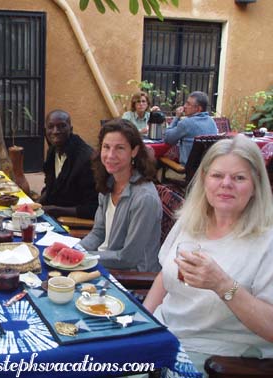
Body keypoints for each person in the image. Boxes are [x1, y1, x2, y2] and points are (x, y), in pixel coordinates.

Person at [143, 135, 273, 374]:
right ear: (204, 180)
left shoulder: (267, 241)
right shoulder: (190, 221)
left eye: (239, 178)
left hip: (215, 358)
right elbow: (165, 276)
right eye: (217, 175)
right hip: (162, 337)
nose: (226, 184)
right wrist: (144, 322)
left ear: (255, 186)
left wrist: (223, 285)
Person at [78, 119, 162, 272]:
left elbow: (128, 258)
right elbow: (98, 233)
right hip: (103, 262)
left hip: (132, 278)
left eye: (120, 148)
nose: (110, 155)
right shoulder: (109, 183)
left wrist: (83, 257)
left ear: (134, 151)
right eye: (106, 147)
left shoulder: (144, 199)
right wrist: (76, 250)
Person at [38, 109, 98, 219]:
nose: (56, 131)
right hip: (52, 214)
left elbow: (93, 208)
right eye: (51, 127)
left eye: (62, 126)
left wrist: (56, 210)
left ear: (71, 129)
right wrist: (36, 204)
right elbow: (51, 187)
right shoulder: (52, 151)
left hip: (73, 221)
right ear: (45, 130)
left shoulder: (85, 159)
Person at [164, 91, 218, 165]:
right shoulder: (212, 121)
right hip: (207, 167)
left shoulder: (186, 123)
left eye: (188, 104)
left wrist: (177, 117)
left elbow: (168, 139)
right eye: (186, 103)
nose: (184, 106)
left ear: (198, 109)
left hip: (189, 168)